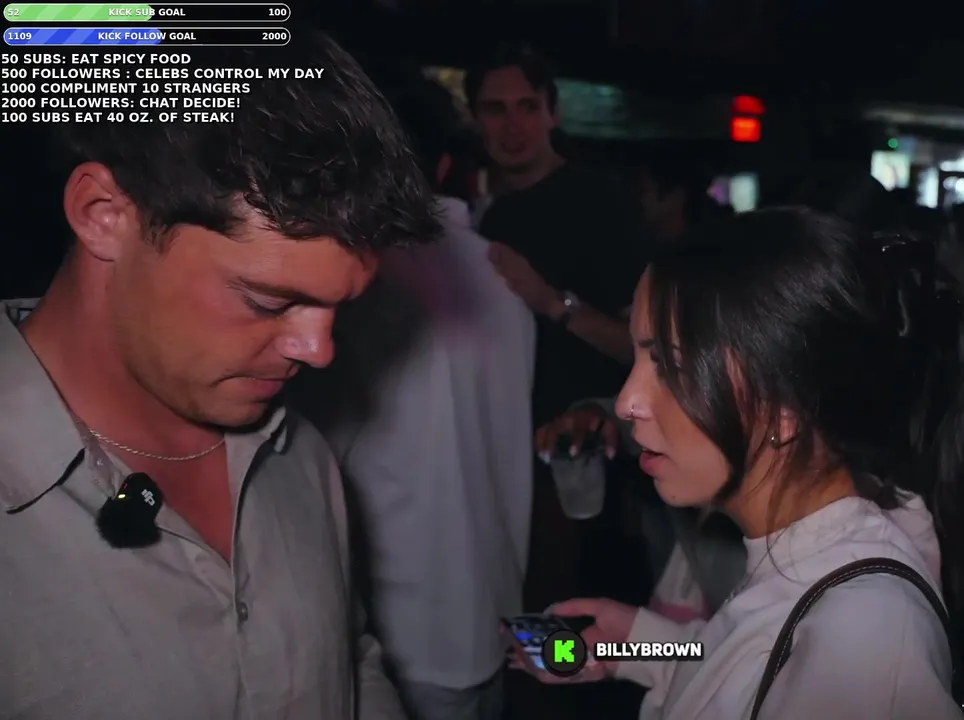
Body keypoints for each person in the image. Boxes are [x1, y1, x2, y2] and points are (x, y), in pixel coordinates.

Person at [0, 32, 428, 719]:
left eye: (339, 309)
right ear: (104, 216)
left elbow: (352, 663)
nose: (318, 350)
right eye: (266, 301)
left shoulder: (301, 456)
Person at [522, 205, 964, 718]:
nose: (626, 402)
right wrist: (639, 644)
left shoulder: (864, 638)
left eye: (671, 367)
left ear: (787, 407)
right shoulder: (805, 559)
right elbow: (749, 671)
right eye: (638, 359)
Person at [294, 83, 536, 720]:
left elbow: (312, 458)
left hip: (404, 629)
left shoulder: (353, 281)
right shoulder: (509, 276)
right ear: (446, 165)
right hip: (493, 605)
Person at [465, 44, 651, 617]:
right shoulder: (479, 213)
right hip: (498, 462)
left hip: (587, 468)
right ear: (475, 119)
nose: (513, 125)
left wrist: (551, 301)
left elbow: (645, 353)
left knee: (579, 634)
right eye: (495, 109)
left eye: (527, 106)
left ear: (554, 112)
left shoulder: (603, 203)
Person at [637, 146, 732, 245]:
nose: (641, 199)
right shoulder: (646, 245)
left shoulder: (703, 248)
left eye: (644, 191)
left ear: (676, 195)